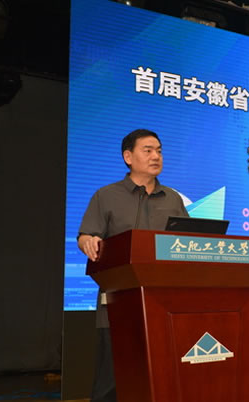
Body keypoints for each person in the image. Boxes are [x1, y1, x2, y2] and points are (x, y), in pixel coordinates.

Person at [77, 129, 189, 402]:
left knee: (160, 377)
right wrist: (88, 241)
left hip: (163, 302)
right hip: (118, 301)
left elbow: (189, 242)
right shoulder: (107, 195)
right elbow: (86, 235)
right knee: (111, 380)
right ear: (128, 157)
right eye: (147, 150)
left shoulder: (172, 198)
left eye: (159, 151)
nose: (156, 156)